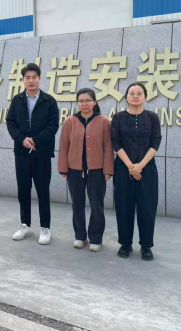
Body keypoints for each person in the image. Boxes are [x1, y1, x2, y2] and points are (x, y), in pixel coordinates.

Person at [7, 63, 60, 245]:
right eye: (27, 78)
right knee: (23, 190)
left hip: (41, 154)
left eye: (34, 77)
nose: (31, 81)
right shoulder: (17, 100)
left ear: (39, 79)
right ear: (23, 80)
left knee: (43, 191)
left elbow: (53, 126)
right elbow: (10, 123)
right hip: (22, 153)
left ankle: (45, 227)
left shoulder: (49, 101)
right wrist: (22, 139)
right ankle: (25, 225)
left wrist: (35, 140)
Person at [111, 83, 162, 261]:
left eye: (139, 93)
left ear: (145, 97)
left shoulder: (152, 117)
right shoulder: (118, 117)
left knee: (147, 208)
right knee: (123, 206)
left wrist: (140, 166)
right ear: (126, 97)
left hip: (147, 169)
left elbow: (156, 142)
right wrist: (130, 166)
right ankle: (125, 244)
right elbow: (116, 142)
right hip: (123, 169)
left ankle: (146, 246)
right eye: (131, 93)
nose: (135, 96)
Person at [59, 88, 114, 252]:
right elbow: (64, 146)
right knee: (77, 204)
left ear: (94, 102)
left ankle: (96, 238)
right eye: (81, 101)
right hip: (74, 169)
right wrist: (63, 167)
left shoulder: (104, 121)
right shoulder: (70, 121)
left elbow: (108, 147)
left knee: (97, 205)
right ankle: (80, 236)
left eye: (88, 100)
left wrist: (108, 170)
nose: (84, 104)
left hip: (97, 170)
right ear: (77, 103)